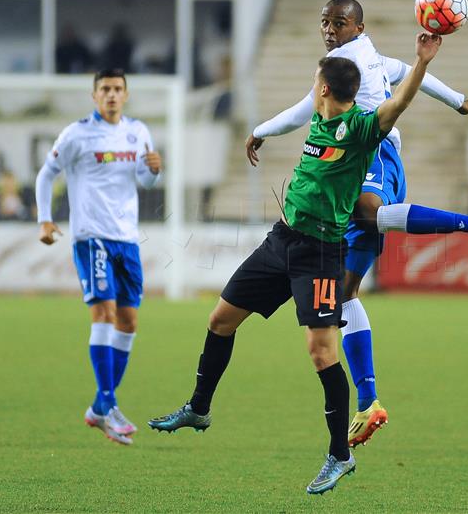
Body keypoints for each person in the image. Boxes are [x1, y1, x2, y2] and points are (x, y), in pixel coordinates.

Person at [149, 32, 443, 494]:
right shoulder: (321, 121)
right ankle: (199, 408)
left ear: (324, 87)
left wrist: (421, 64)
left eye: (315, 79)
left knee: (321, 353)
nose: (312, 83)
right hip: (279, 242)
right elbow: (292, 119)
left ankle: (339, 457)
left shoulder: (363, 128)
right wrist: (263, 132)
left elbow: (398, 104)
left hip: (321, 254)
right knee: (220, 320)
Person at [245, 0, 468, 449]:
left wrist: (260, 130)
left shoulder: (343, 61)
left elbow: (303, 109)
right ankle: (369, 402)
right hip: (368, 157)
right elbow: (402, 72)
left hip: (373, 151)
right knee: (347, 291)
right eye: (325, 22)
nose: (329, 30)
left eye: (339, 22)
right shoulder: (366, 55)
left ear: (359, 26)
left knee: (365, 211)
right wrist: (456, 101)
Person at [35, 69, 162, 445]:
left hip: (127, 239)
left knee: (128, 321)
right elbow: (46, 174)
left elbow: (145, 180)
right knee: (103, 312)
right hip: (92, 237)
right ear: (94, 96)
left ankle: (98, 408)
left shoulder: (137, 132)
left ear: (126, 95)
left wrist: (154, 171)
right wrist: (44, 220)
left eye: (117, 89)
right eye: (104, 89)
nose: (111, 95)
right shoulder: (77, 134)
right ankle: (109, 403)